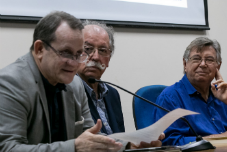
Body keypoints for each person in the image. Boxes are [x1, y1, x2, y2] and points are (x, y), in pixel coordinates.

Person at [0, 11, 161, 152]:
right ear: (40, 49)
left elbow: (91, 135)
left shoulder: (74, 83)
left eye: (78, 54)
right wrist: (75, 148)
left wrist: (130, 144)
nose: (74, 63)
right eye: (66, 53)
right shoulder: (10, 83)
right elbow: (8, 148)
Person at [153, 37, 227, 146]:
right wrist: (223, 137)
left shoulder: (223, 94)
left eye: (209, 59)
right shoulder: (170, 97)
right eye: (196, 58)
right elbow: (169, 143)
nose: (203, 64)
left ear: (218, 66)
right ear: (185, 64)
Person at [77, 20, 124, 135]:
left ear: (108, 59)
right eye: (87, 49)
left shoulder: (113, 94)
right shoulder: (67, 92)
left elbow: (121, 139)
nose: (96, 57)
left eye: (103, 51)